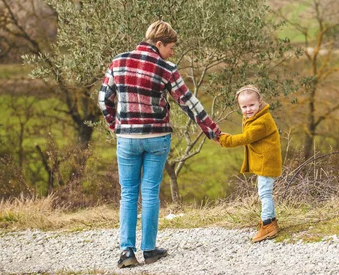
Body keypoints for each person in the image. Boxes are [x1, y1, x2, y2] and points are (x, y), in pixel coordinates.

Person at [98, 20, 221, 268]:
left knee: (129, 194)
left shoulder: (118, 62)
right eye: (171, 47)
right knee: (150, 192)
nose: (173, 52)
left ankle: (127, 253)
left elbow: (104, 100)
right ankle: (150, 250)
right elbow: (188, 102)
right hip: (157, 138)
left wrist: (115, 124)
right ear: (159, 43)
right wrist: (211, 129)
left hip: (127, 139)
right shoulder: (166, 68)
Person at [219, 85, 282, 242]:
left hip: (267, 162)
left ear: (260, 102)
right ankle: (271, 220)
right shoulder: (254, 117)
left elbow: (246, 137)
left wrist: (224, 140)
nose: (248, 110)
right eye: (244, 107)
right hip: (263, 161)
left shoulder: (262, 121)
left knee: (264, 193)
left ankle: (268, 224)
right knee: (264, 191)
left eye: (251, 105)